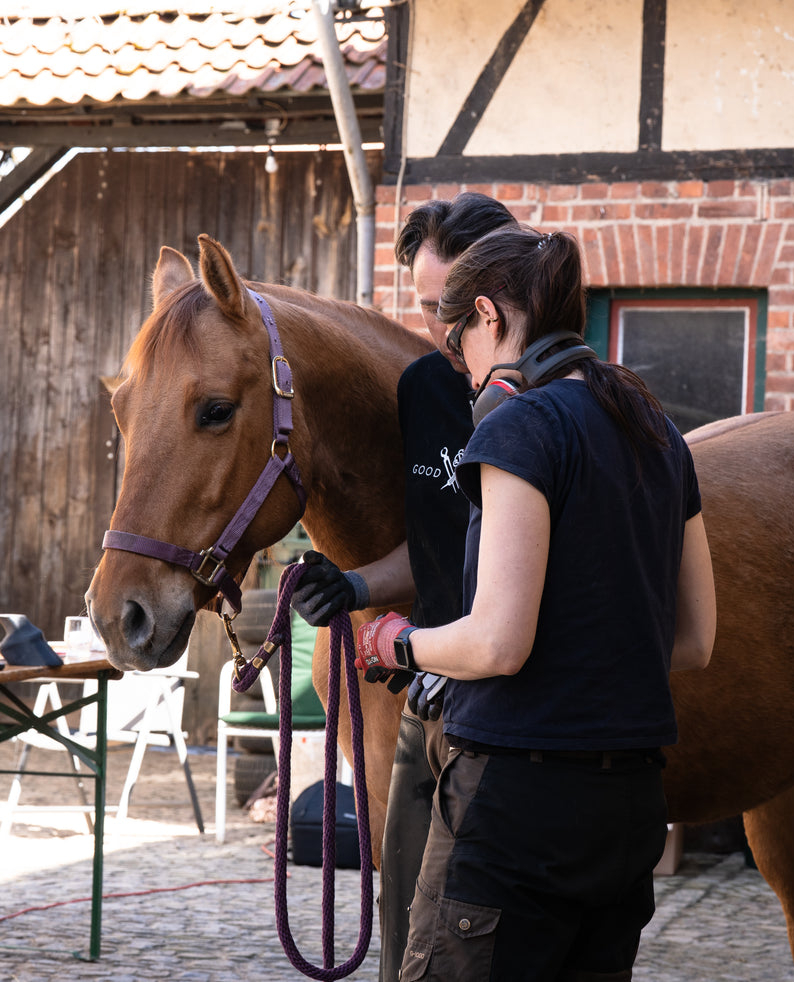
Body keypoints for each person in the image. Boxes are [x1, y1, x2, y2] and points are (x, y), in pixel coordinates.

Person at [355, 224, 716, 981]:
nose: (461, 371)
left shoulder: (521, 429)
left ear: (487, 316)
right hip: (630, 805)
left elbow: (496, 645)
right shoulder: (658, 431)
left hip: (519, 803)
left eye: (458, 346)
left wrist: (397, 641)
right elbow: (692, 640)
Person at [289, 192, 517, 981]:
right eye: (427, 308)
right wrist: (352, 586)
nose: (444, 332)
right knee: (403, 926)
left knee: (471, 930)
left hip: (505, 709)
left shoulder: (536, 409)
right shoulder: (422, 391)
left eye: (458, 309)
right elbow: (436, 544)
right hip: (431, 700)